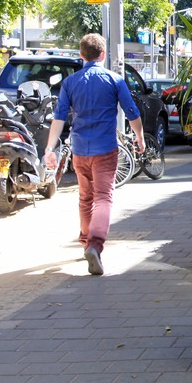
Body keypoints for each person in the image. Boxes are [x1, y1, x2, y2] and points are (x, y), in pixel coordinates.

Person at [43, 34, 145, 276]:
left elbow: (59, 117)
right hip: (105, 149)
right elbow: (132, 112)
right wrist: (139, 137)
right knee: (103, 198)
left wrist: (50, 149)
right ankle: (95, 245)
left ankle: (85, 241)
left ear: (81, 56)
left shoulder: (70, 83)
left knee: (85, 198)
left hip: (79, 150)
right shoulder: (115, 80)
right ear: (102, 55)